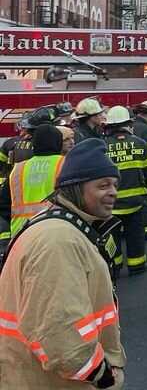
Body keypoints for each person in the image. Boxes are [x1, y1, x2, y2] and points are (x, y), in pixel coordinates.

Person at [0, 138, 125, 388]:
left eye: (114, 184)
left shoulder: (61, 228)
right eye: (102, 185)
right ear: (76, 189)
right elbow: (61, 335)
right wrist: (103, 376)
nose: (113, 192)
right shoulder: (59, 240)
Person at [102, 106, 147, 275]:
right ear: (128, 124)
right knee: (135, 235)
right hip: (136, 202)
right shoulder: (140, 144)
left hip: (111, 204)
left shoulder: (102, 146)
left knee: (112, 237)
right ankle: (137, 265)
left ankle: (114, 266)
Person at [0, 123, 66, 247]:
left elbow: (3, 204)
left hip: (21, 237)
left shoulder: (18, 169)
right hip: (55, 233)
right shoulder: (65, 163)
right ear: (58, 143)